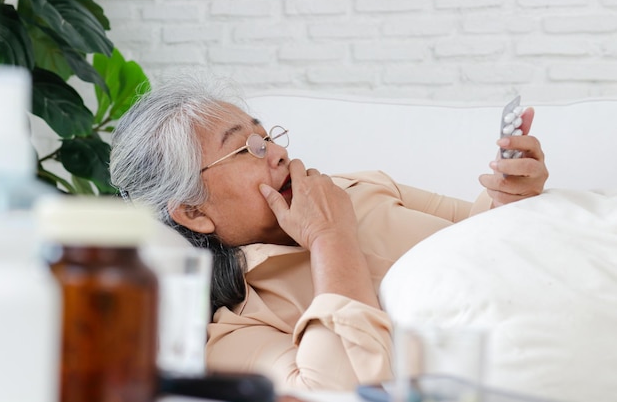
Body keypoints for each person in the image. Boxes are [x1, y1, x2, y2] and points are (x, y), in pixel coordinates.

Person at [109, 73, 548, 391]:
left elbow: (477, 229)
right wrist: (329, 238)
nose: (279, 153)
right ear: (193, 212)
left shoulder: (357, 187)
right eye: (246, 149)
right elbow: (333, 390)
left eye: (266, 137)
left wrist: (512, 194)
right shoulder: (236, 334)